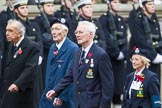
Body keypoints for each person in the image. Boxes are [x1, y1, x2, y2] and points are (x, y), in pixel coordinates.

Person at [46, 21, 114, 108]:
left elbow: (108, 85)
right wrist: (55, 90)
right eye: (76, 32)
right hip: (78, 103)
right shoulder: (78, 53)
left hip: (94, 104)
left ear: (90, 34)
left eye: (80, 32)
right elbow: (70, 76)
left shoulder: (100, 54)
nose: (77, 35)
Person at [0, 19, 40, 108]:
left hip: (23, 93)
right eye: (6, 30)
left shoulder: (31, 46)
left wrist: (18, 84)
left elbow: (30, 69)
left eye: (10, 31)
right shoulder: (11, 45)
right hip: (9, 92)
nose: (7, 33)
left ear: (20, 33)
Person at [39, 18, 78, 108]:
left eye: (57, 29)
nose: (53, 32)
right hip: (49, 95)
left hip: (63, 99)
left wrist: (62, 97)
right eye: (52, 29)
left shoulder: (73, 48)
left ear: (65, 31)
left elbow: (72, 77)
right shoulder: (53, 47)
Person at [99, 0, 128, 107]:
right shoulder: (104, 19)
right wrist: (115, 53)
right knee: (108, 90)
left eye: (118, 2)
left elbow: (125, 38)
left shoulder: (121, 20)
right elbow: (105, 38)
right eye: (115, 2)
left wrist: (123, 52)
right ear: (109, 4)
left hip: (120, 60)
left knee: (118, 91)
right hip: (109, 59)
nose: (117, 4)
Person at [127, 0, 162, 77]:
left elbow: (158, 38)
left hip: (155, 57)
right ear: (143, 7)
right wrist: (154, 56)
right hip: (143, 58)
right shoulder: (138, 21)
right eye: (149, 4)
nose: (152, 6)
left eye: (153, 4)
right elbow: (141, 41)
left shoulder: (154, 19)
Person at [34, 0, 56, 88]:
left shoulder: (56, 20)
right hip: (46, 53)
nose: (51, 8)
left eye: (52, 5)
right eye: (48, 6)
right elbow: (41, 39)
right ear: (42, 7)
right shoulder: (38, 20)